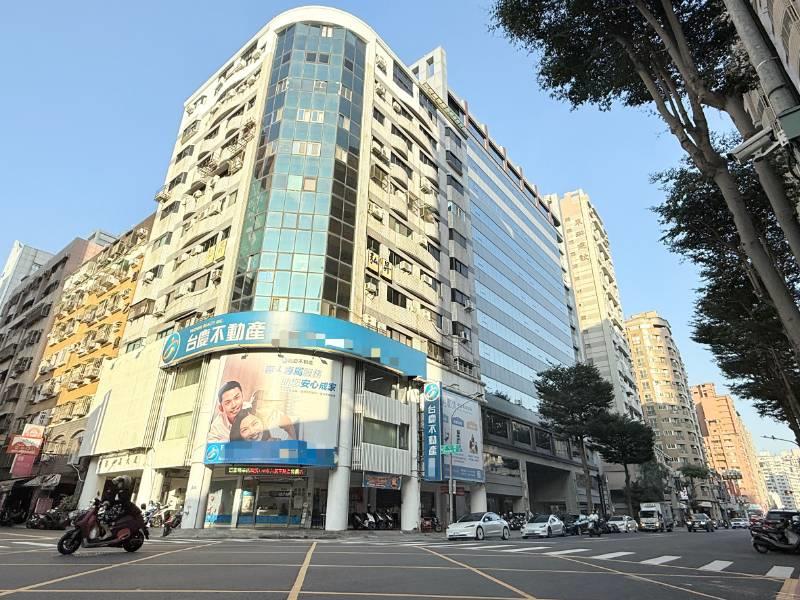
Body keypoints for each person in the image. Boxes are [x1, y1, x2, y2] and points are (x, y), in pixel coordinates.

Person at [230, 390, 297, 442]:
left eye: (254, 424)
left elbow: (293, 450)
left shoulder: (278, 426)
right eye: (258, 408)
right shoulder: (244, 414)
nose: (252, 431)